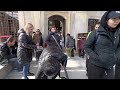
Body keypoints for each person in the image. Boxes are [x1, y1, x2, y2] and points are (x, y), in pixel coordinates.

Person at [84, 11, 120, 79]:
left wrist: (116, 57)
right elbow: (87, 46)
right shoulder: (96, 33)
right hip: (95, 66)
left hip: (109, 67)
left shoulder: (118, 33)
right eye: (114, 19)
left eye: (118, 19)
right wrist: (96, 57)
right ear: (107, 19)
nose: (117, 21)